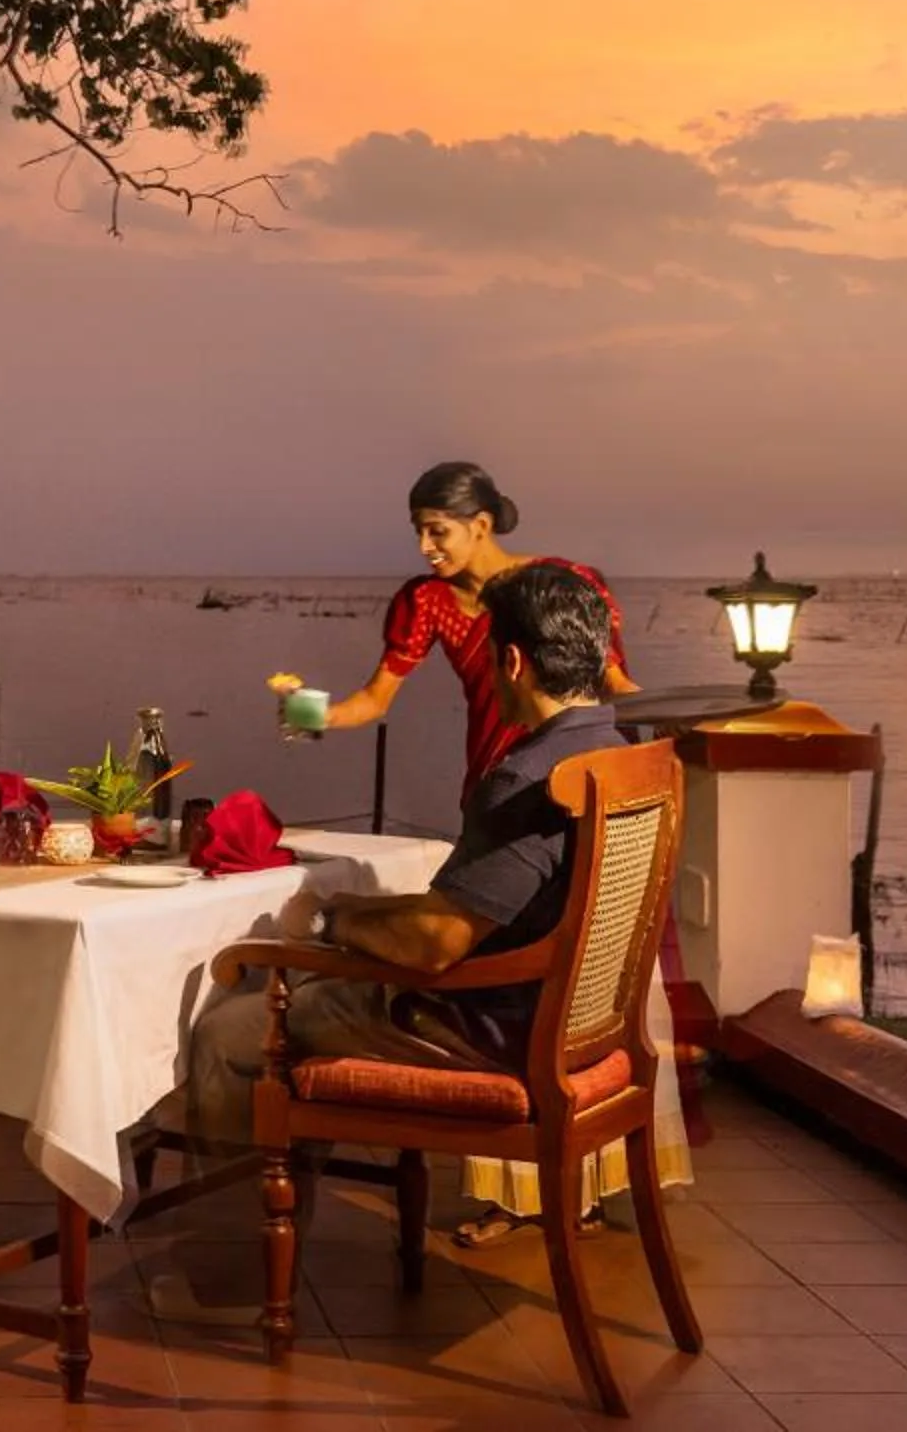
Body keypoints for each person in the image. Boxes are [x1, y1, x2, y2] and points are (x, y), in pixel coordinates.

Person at [268, 510, 690, 1248]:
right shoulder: (621, 760)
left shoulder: (530, 780)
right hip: (584, 1031)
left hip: (503, 1035)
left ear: (515, 665)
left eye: (437, 529)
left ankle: (255, 1244)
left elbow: (436, 943)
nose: (426, 547)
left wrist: (327, 920)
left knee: (261, 1021)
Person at [278, 460, 638, 811]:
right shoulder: (425, 601)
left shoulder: (560, 584)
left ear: (480, 525)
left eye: (437, 531)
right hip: (496, 773)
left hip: (580, 769)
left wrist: (676, 724)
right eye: (418, 531)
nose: (424, 547)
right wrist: (312, 715)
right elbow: (375, 700)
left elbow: (613, 685)